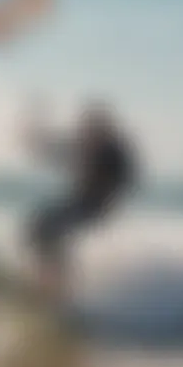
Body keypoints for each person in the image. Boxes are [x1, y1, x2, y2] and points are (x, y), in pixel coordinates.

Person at [22, 97, 137, 296]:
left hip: (97, 205)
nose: (86, 132)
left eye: (91, 128)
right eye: (86, 128)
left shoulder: (112, 151)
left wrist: (105, 187)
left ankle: (59, 284)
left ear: (103, 128)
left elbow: (125, 179)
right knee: (39, 227)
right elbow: (56, 149)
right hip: (81, 202)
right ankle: (51, 280)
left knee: (47, 229)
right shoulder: (86, 145)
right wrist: (37, 136)